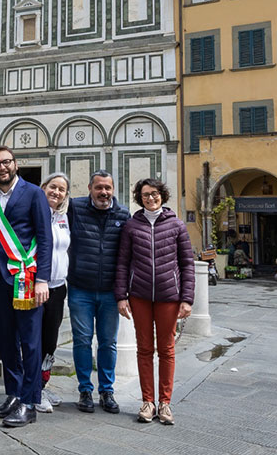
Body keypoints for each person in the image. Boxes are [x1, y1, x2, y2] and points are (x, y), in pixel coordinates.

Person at [115, 178, 194, 425]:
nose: (151, 198)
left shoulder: (177, 225)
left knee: (167, 350)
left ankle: (165, 403)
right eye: (146, 194)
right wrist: (121, 296)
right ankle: (148, 402)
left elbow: (187, 264)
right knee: (145, 349)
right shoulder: (131, 225)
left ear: (163, 195)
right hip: (139, 296)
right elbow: (122, 263)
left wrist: (187, 299)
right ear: (140, 197)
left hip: (169, 296)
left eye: (155, 193)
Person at [0, 146, 52, 428]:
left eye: (6, 162)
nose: (2, 167)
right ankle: (13, 394)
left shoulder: (34, 193)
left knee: (30, 341)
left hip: (26, 278)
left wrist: (43, 279)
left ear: (16, 164)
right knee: (6, 341)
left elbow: (45, 237)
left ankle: (29, 402)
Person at [67, 170, 130, 414]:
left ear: (113, 189)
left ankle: (107, 391)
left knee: (108, 343)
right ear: (90, 189)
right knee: (82, 341)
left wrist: (124, 291)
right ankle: (85, 389)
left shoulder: (123, 213)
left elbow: (128, 253)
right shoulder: (75, 208)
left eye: (108, 188)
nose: (104, 192)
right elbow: (48, 204)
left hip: (110, 292)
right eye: (99, 187)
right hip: (80, 288)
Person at [36, 173, 71, 413]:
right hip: (35, 287)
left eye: (61, 189)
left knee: (50, 341)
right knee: (33, 340)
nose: (56, 192)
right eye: (52, 187)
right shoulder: (33, 213)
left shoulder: (64, 217)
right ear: (43, 187)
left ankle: (42, 384)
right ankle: (32, 389)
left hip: (58, 287)